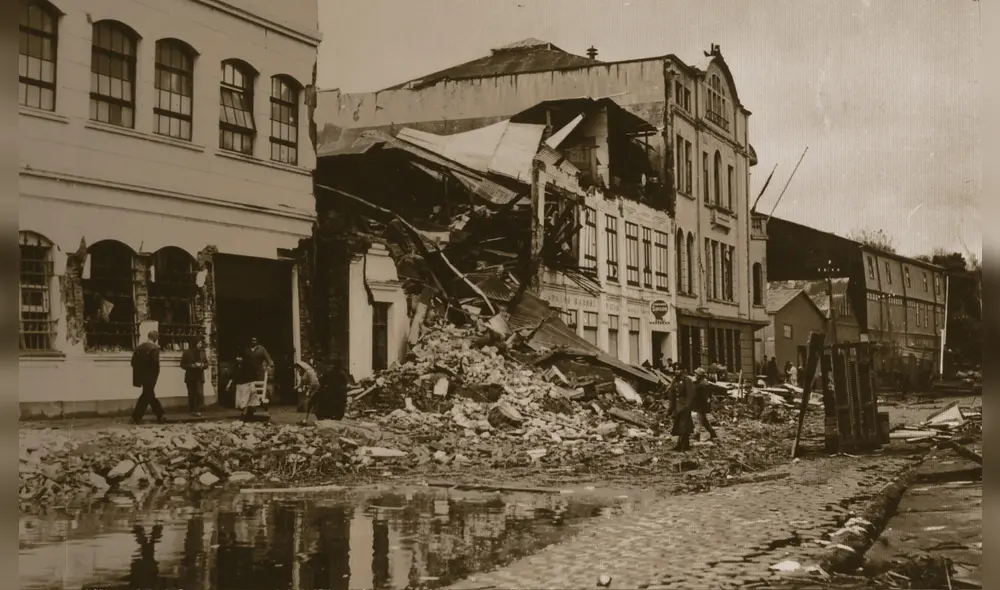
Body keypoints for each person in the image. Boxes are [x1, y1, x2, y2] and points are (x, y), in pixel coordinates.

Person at [131, 330, 165, 424]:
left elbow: (133, 362)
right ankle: (137, 416)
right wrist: (154, 375)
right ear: (155, 338)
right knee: (147, 395)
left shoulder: (139, 347)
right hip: (150, 376)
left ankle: (159, 414)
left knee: (148, 394)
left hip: (140, 376)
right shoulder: (154, 348)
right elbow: (155, 364)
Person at [180, 339, 208, 416]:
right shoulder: (187, 352)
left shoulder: (202, 352)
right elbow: (182, 364)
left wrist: (202, 365)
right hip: (190, 375)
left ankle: (198, 410)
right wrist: (190, 366)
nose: (200, 345)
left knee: (199, 393)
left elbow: (206, 364)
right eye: (199, 343)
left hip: (199, 375)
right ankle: (191, 410)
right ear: (194, 343)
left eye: (201, 343)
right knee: (191, 393)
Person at [691, 367, 718, 441]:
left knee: (699, 420)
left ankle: (697, 434)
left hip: (701, 405)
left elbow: (702, 395)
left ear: (699, 375)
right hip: (702, 404)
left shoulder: (702, 384)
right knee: (704, 421)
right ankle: (713, 433)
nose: (695, 375)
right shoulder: (703, 382)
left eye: (696, 374)